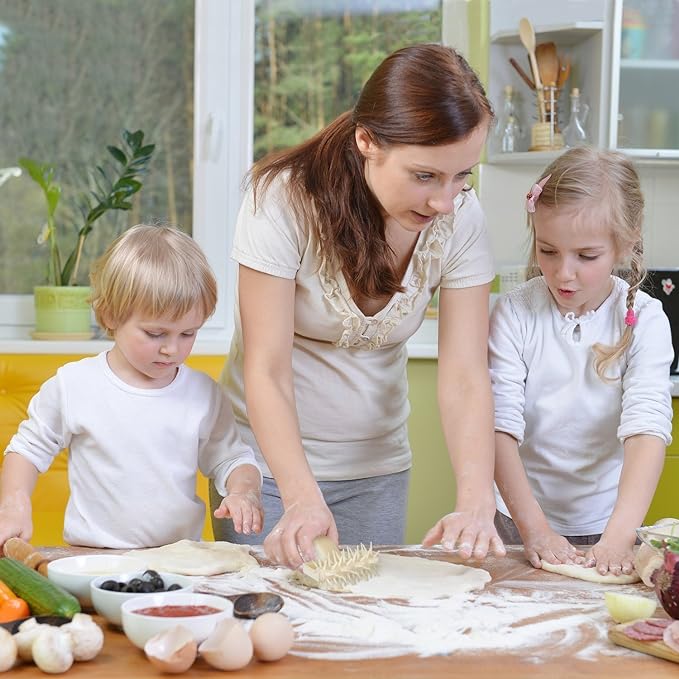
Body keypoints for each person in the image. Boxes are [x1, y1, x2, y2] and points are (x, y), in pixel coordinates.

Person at [209, 43, 506, 568]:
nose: (444, 201)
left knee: (365, 623)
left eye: (462, 176)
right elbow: (267, 368)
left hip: (377, 468)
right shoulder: (280, 200)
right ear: (367, 141)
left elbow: (464, 374)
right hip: (267, 472)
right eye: (424, 175)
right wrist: (301, 497)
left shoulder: (461, 218)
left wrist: (477, 500)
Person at [0, 224, 263, 549]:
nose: (173, 349)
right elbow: (27, 450)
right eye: (155, 334)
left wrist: (243, 490)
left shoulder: (204, 394)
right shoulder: (75, 385)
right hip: (92, 558)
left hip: (178, 561)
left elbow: (231, 459)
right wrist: (14, 504)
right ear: (110, 316)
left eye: (188, 334)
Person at [489, 147, 674, 576]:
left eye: (586, 256)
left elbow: (646, 431)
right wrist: (533, 527)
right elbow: (498, 428)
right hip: (517, 520)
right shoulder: (515, 313)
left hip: (608, 525)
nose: (563, 273)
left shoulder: (644, 320)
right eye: (548, 251)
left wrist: (619, 536)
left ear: (624, 245)